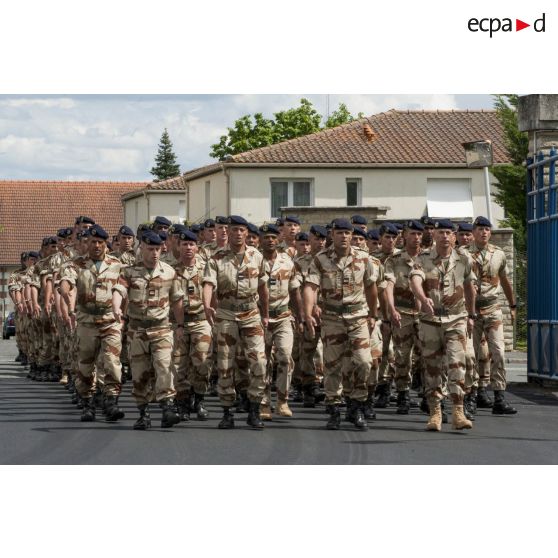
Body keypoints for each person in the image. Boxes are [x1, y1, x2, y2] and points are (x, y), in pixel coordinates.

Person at [303, 218, 379, 431]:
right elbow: (310, 287)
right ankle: (334, 408)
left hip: (358, 318)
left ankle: (356, 405)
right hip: (332, 320)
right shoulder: (321, 259)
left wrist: (373, 315)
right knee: (332, 366)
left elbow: (371, 288)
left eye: (347, 233)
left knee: (364, 362)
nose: (344, 236)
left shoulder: (364, 258)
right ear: (332, 235)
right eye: (339, 233)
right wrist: (308, 313)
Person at [202, 215, 269, 430]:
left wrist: (265, 313)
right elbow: (208, 284)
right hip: (226, 314)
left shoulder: (256, 256)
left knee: (259, 361)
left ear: (247, 233)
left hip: (251, 313)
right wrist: (206, 305)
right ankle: (227, 410)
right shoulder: (217, 258)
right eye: (234, 230)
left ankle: (254, 408)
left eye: (242, 230)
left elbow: (263, 288)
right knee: (224, 365)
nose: (238, 233)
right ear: (227, 233)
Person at [409, 218, 476, 431]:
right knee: (432, 367)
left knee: (458, 363)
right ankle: (435, 412)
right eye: (441, 233)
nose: (445, 236)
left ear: (454, 236)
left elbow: (469, 287)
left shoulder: (464, 259)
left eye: (448, 232)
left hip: (456, 319)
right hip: (430, 320)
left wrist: (472, 315)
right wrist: (422, 297)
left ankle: (458, 410)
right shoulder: (423, 258)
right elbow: (415, 280)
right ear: (434, 236)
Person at [112, 230, 184, 430]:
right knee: (140, 372)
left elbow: (177, 300)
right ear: (141, 248)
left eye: (157, 249)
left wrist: (180, 325)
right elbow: (120, 290)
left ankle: (167, 408)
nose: (154, 253)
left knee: (164, 367)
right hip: (137, 330)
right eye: (150, 249)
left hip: (161, 329)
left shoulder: (169, 272)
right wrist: (116, 307)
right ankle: (143, 413)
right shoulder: (130, 272)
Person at [59, 225, 124, 422]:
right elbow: (66, 282)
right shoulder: (75, 265)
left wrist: (123, 314)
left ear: (106, 244)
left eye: (100, 242)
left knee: (112, 363)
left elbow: (124, 289)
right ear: (87, 243)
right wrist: (66, 291)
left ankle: (111, 401)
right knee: (86, 366)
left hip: (110, 322)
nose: (96, 246)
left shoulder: (117, 265)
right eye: (93, 242)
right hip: (87, 322)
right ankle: (87, 403)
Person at [469, 216, 517, 414]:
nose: (484, 232)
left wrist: (513, 304)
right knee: (470, 354)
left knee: (498, 352)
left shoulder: (498, 254)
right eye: (480, 229)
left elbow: (505, 280)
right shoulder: (463, 254)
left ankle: (499, 396)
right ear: (473, 232)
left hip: (492, 308)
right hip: (471, 310)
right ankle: (470, 396)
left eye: (487, 229)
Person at [259, 224, 302, 419]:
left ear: (279, 239)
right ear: (260, 239)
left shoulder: (287, 262)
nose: (270, 240)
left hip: (283, 316)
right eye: (266, 237)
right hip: (259, 317)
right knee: (262, 361)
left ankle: (282, 400)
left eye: (273, 237)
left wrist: (301, 317)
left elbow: (294, 290)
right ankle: (264, 402)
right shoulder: (254, 260)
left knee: (285, 356)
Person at [384, 220, 425, 414]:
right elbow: (389, 286)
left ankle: (429, 393)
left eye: (419, 234)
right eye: (412, 234)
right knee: (402, 357)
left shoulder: (429, 258)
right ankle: (403, 393)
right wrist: (392, 309)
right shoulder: (394, 260)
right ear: (404, 235)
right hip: (403, 313)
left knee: (428, 355)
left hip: (426, 315)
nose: (416, 237)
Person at [172, 229, 212, 421]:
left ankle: (200, 399)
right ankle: (182, 403)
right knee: (179, 364)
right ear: (178, 246)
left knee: (202, 362)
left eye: (191, 244)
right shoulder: (170, 269)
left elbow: (214, 294)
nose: (188, 248)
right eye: (184, 244)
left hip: (201, 320)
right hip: (177, 323)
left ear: (197, 247)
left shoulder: (206, 267)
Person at [374, 222, 400, 407]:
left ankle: (397, 388)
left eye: (393, 237)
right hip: (377, 311)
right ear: (381, 238)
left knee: (398, 352)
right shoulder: (372, 259)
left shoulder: (402, 258)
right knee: (383, 351)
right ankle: (382, 388)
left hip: (399, 310)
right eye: (387, 237)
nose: (390, 241)